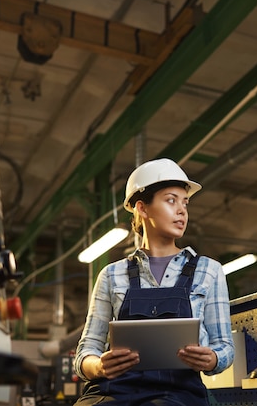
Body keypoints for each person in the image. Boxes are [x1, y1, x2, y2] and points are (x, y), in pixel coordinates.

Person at [73, 158, 235, 406]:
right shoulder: (111, 275)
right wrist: (99, 365)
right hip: (112, 391)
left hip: (178, 394)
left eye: (185, 202)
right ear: (142, 208)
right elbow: (86, 351)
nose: (182, 210)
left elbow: (224, 346)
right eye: (171, 200)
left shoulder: (209, 271)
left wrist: (212, 359)